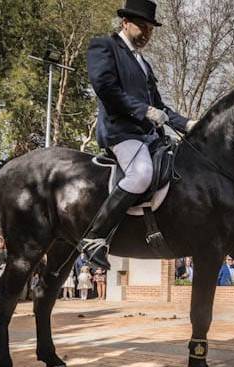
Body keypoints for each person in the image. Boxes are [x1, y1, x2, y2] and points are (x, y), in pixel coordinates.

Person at [81, 0, 197, 270]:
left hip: (149, 135)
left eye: (150, 29)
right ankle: (95, 237)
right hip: (121, 132)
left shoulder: (144, 63)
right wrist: (144, 110)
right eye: (142, 26)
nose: (146, 33)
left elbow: (162, 108)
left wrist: (188, 125)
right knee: (142, 173)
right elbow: (106, 89)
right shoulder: (104, 47)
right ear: (125, 22)